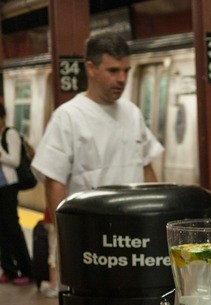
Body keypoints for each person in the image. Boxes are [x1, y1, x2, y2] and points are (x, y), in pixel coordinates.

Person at [32, 32, 163, 225]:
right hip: (89, 229)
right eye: (113, 71)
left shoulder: (132, 113)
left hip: (134, 228)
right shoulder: (68, 116)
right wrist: (66, 233)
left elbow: (146, 167)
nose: (122, 79)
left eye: (126, 71)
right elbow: (54, 183)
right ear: (91, 69)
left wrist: (156, 218)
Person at [0, 104, 34, 285]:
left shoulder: (10, 134)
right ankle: (9, 269)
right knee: (1, 230)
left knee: (12, 227)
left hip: (8, 187)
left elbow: (14, 161)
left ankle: (27, 270)